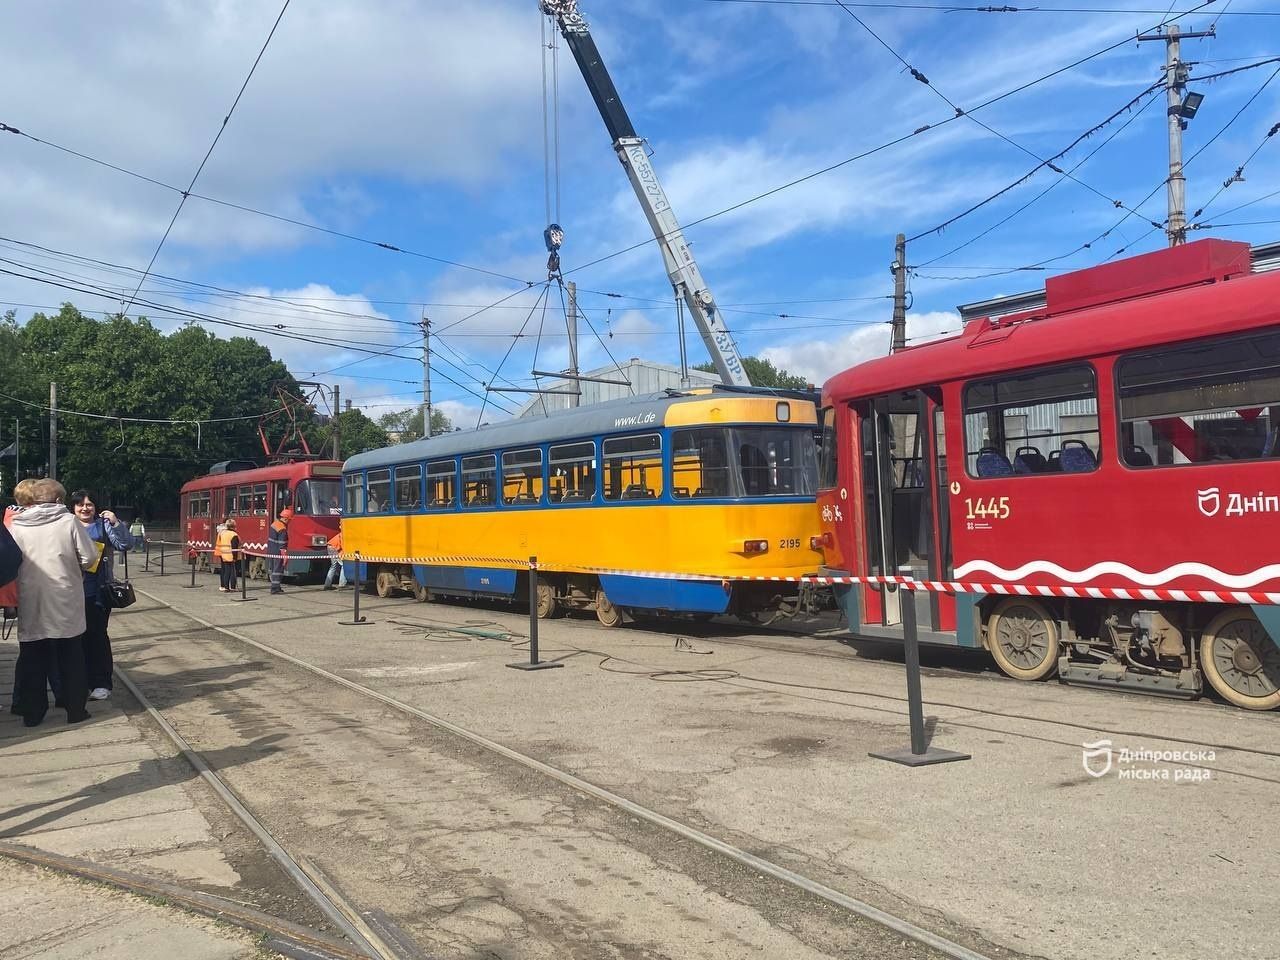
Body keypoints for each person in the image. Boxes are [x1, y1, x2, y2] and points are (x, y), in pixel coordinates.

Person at [9, 479, 98, 727]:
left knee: (32, 656)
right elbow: (89, 556)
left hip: (31, 596)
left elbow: (10, 560)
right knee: (71, 654)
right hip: (64, 595)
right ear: (59, 500)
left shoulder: (18, 524)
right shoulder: (68, 522)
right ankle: (75, 710)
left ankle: (32, 714)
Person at [70, 490, 134, 702]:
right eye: (80, 505)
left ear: (96, 507)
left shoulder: (103, 526)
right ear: (73, 508)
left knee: (97, 636)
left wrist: (115, 523)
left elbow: (125, 544)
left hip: (97, 592)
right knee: (75, 640)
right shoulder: (67, 525)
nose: (85, 508)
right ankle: (81, 681)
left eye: (89, 504)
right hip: (70, 592)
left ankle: (101, 683)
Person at [267, 507, 292, 595]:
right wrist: (284, 556)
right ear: (286, 519)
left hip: (271, 550)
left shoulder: (274, 524)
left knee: (274, 569)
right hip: (278, 552)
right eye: (289, 520)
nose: (289, 521)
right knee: (278, 570)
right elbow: (282, 544)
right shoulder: (282, 529)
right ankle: (275, 588)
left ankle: (276, 587)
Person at [216, 518, 240, 592]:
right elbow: (234, 547)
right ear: (234, 526)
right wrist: (235, 557)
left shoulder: (223, 533)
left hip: (224, 554)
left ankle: (226, 587)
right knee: (233, 572)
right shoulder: (234, 534)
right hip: (231, 555)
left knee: (226, 571)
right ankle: (233, 587)